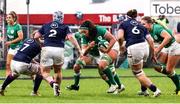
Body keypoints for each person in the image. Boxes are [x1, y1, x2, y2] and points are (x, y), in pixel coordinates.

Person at [66, 20, 125, 94]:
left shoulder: (100, 30)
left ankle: (115, 85)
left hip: (108, 48)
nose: (83, 34)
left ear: (90, 29)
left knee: (103, 66)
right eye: (81, 32)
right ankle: (76, 85)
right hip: (92, 52)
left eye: (84, 31)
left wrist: (107, 50)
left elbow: (113, 39)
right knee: (77, 65)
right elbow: (83, 52)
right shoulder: (82, 36)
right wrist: (89, 46)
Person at [34, 11, 81, 96]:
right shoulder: (65, 26)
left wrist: (40, 42)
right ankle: (57, 90)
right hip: (59, 49)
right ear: (62, 18)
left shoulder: (46, 25)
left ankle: (52, 83)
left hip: (47, 48)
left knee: (44, 72)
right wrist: (78, 48)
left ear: (53, 17)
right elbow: (70, 37)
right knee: (58, 71)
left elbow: (36, 36)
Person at [116, 9, 161, 97]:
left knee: (137, 73)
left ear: (127, 16)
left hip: (134, 48)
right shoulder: (141, 25)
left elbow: (120, 37)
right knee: (140, 71)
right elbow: (151, 40)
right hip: (145, 47)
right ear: (136, 16)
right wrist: (153, 54)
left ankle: (155, 89)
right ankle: (144, 90)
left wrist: (121, 46)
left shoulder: (123, 24)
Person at [141, 16, 180, 95]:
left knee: (169, 70)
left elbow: (168, 37)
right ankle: (177, 77)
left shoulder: (157, 28)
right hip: (167, 48)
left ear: (149, 23)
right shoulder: (150, 31)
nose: (142, 26)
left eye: (143, 24)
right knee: (157, 66)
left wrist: (158, 49)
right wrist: (154, 53)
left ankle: (179, 87)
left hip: (174, 47)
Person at [5, 11, 24, 77]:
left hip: (19, 47)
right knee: (8, 64)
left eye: (9, 17)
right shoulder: (8, 26)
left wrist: (10, 42)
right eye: (7, 17)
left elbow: (21, 37)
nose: (7, 19)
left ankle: (34, 78)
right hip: (12, 48)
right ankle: (6, 84)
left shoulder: (18, 26)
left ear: (14, 18)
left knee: (24, 65)